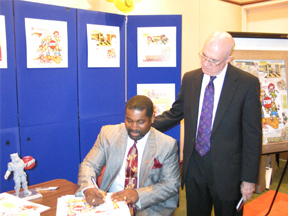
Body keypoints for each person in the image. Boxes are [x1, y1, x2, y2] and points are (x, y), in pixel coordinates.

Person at [152, 31, 262, 216]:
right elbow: (175, 113)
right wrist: (144, 126)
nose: (205, 63)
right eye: (203, 56)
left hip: (228, 172)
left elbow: (253, 136)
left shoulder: (246, 84)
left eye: (213, 60)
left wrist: (249, 179)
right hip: (195, 165)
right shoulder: (190, 79)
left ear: (228, 58)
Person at [75, 95, 180, 216]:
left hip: (148, 207)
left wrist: (137, 194)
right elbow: (89, 164)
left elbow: (171, 184)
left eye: (140, 122)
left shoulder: (166, 145)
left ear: (152, 118)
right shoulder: (108, 134)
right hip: (111, 204)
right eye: (129, 121)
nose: (134, 128)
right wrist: (88, 188)